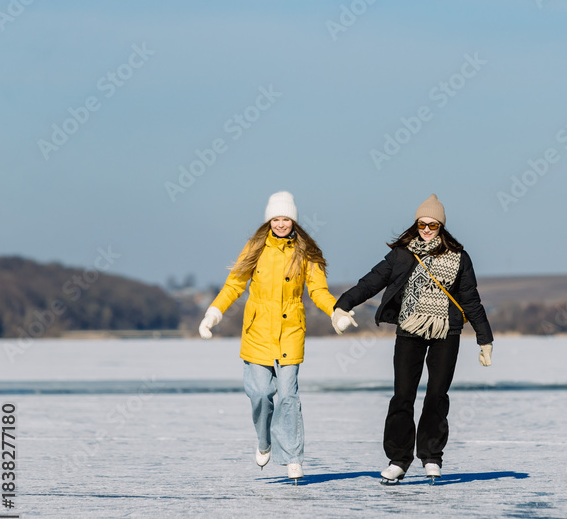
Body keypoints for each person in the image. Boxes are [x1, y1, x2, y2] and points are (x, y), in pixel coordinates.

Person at [332, 194, 493, 484]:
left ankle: (431, 457)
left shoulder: (459, 258)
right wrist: (343, 304)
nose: (427, 229)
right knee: (403, 396)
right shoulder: (403, 253)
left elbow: (471, 300)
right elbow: (372, 281)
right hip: (409, 329)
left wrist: (485, 340)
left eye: (433, 225)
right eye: (422, 224)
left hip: (447, 332)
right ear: (416, 223)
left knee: (436, 395)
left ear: (441, 226)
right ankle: (398, 460)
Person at [198, 191, 337, 483]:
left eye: (286, 218)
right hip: (258, 331)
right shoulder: (256, 247)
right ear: (269, 220)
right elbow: (234, 283)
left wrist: (336, 311)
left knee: (289, 396)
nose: (281, 223)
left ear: (294, 220)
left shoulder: (306, 252)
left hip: (290, 332)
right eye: (276, 218)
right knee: (260, 395)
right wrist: (214, 312)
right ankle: (264, 440)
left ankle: (294, 458)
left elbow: (318, 291)